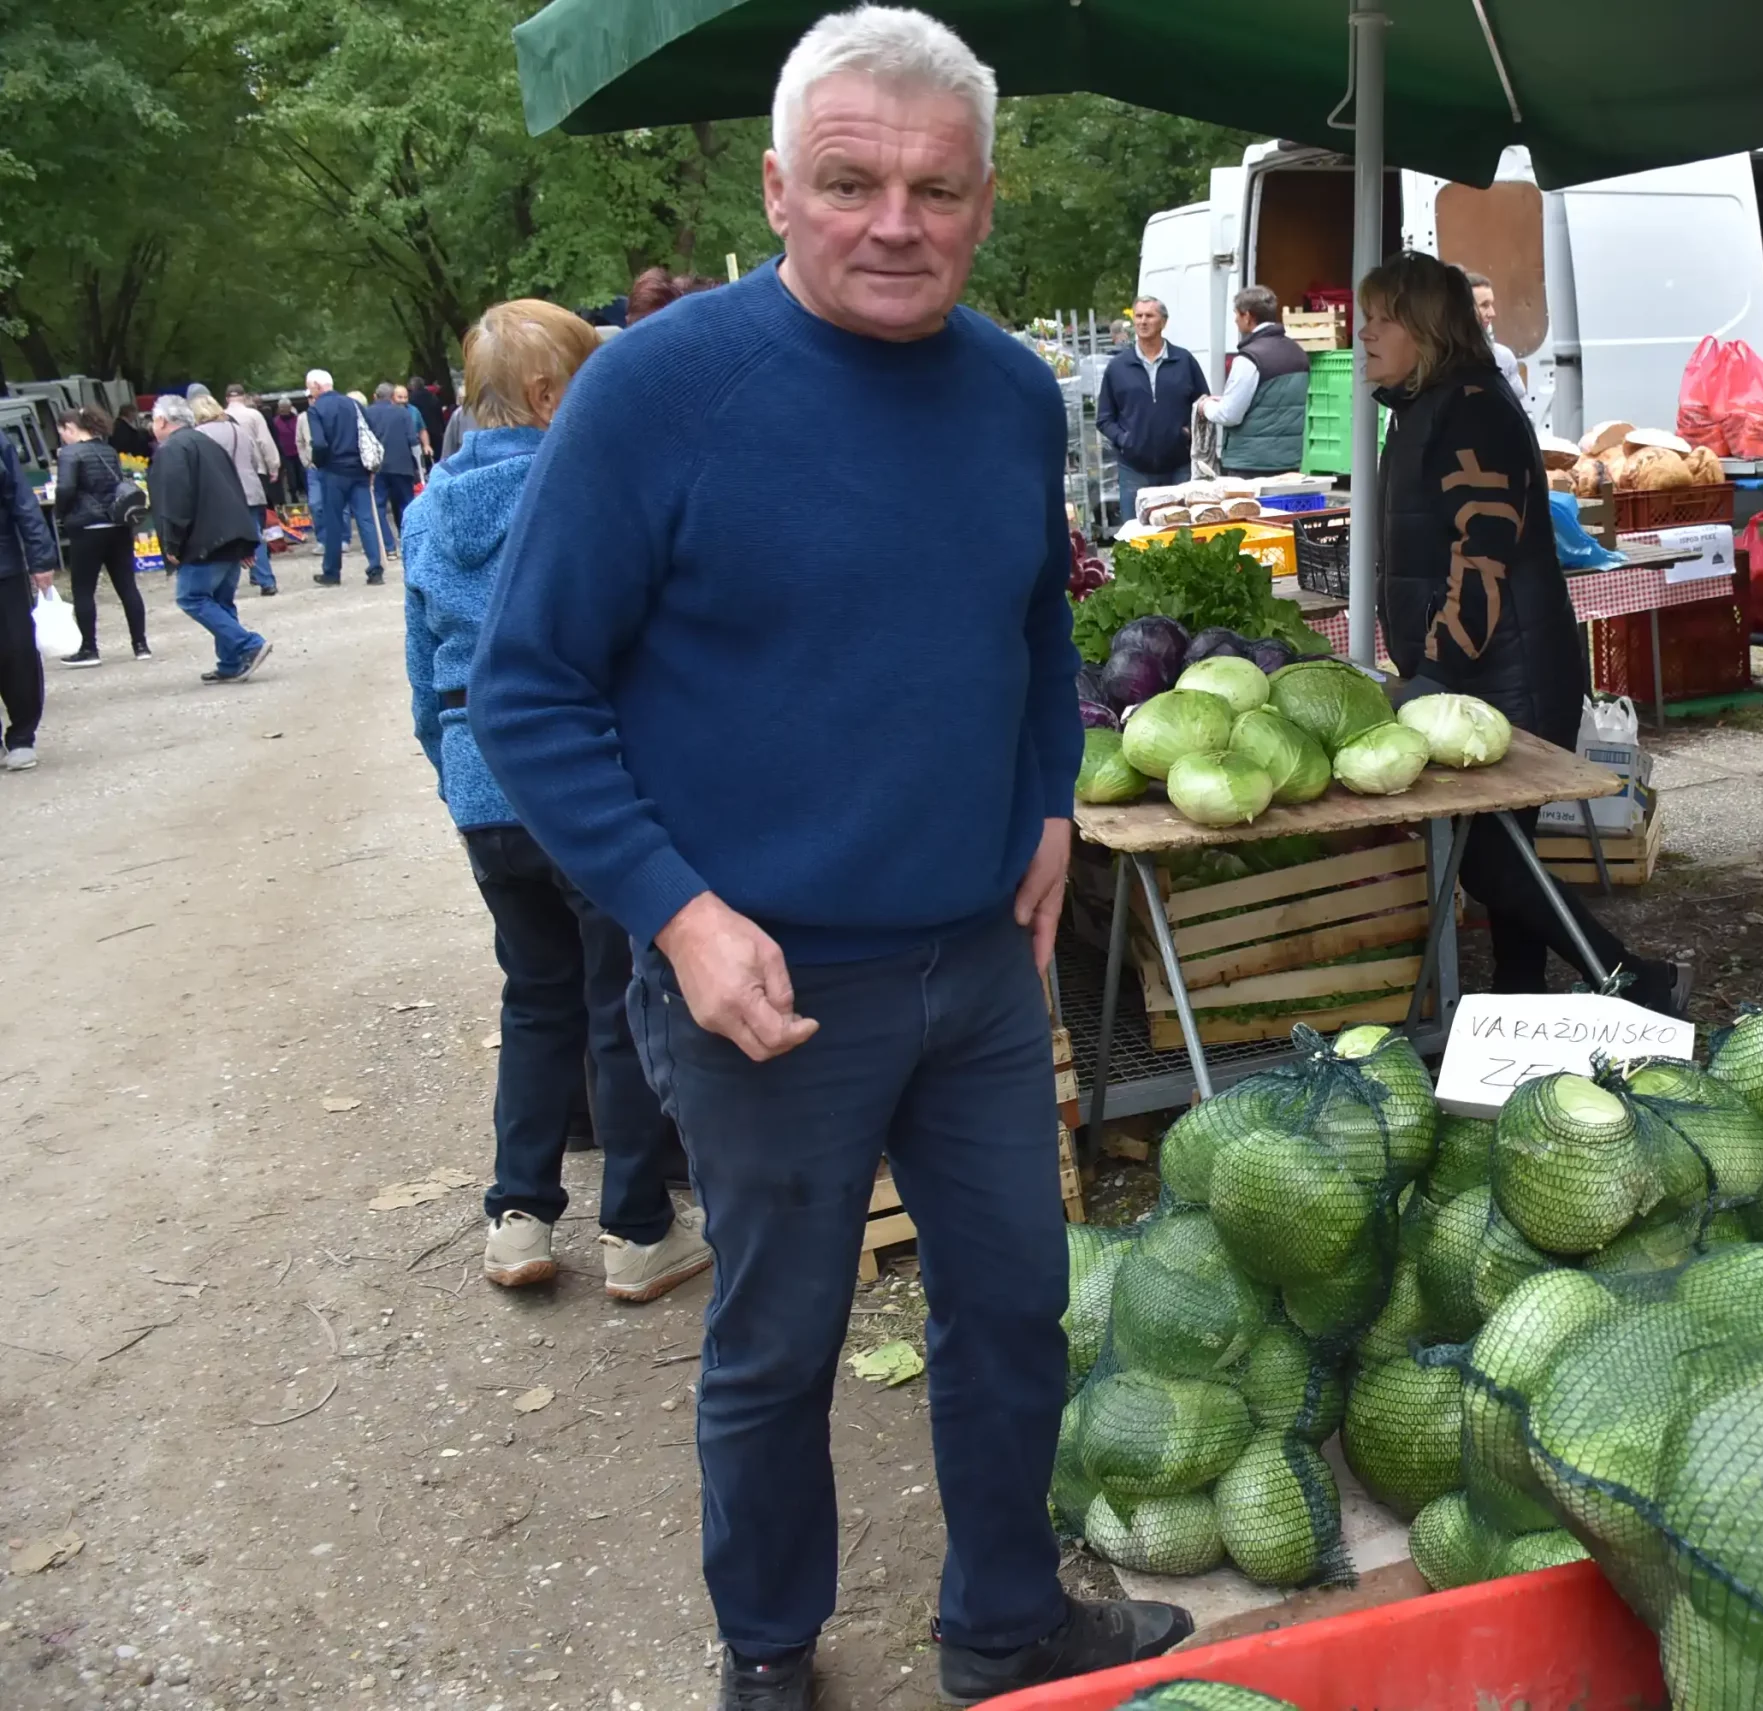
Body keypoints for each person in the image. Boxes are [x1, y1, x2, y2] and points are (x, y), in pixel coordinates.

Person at [468, 10, 1191, 1708]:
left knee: (1013, 1312)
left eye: (936, 190)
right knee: (778, 1347)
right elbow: (531, 688)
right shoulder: (657, 393)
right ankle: (773, 1655)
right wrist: (679, 912)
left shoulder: (1016, 394)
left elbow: (1032, 625)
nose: (895, 222)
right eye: (852, 182)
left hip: (976, 967)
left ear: (986, 203)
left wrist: (1050, 799)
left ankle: (1004, 1619)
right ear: (780, 189)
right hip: (766, 981)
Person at [403, 299, 714, 1304]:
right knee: (617, 1001)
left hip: (478, 789)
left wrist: (454, 776)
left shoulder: (424, 513)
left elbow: (422, 675)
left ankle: (518, 1216)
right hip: (577, 783)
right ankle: (637, 1228)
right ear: (548, 397)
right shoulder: (576, 489)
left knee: (534, 1001)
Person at [1360, 251, 1691, 1015]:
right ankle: (1522, 1010)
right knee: (1505, 852)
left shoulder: (1469, 409)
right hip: (1482, 673)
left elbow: (1484, 551)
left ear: (1428, 328)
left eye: (1383, 317)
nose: (1366, 332)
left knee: (1491, 859)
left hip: (1504, 674)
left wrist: (1436, 670)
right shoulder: (1424, 406)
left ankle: (1633, 978)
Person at [147, 394, 271, 683]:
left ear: (162, 420)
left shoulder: (172, 450)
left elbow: (174, 501)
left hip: (203, 539)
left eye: (153, 420)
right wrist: (245, 539)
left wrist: (172, 543)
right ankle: (230, 663)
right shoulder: (209, 444)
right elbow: (235, 489)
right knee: (221, 600)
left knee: (191, 597)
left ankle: (248, 644)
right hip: (230, 532)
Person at [1094, 296, 1208, 523]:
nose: (1143, 321)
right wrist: (1126, 440)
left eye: (1150, 316)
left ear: (1163, 322)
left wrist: (1186, 433)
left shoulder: (1183, 361)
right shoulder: (1118, 367)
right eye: (1139, 316)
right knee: (1137, 537)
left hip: (1180, 467)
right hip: (1134, 469)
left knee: (1182, 534)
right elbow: (1104, 418)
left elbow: (1203, 405)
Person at [51, 407, 150, 666]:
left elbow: (66, 487)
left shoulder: (70, 454)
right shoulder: (108, 450)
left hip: (87, 527)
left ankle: (89, 648)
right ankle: (140, 644)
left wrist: (60, 513)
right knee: (127, 585)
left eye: (62, 433)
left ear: (70, 428)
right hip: (117, 524)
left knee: (83, 589)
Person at [1195, 284, 1309, 477]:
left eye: (1236, 314)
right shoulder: (1298, 353)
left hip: (1250, 465)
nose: (1235, 320)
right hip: (1289, 461)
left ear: (1247, 316)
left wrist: (1205, 406)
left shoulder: (1249, 359)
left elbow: (1230, 415)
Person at [0, 432, 56, 769]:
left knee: (16, 651)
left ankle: (21, 735)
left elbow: (22, 500)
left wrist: (40, 558)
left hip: (4, 567)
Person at [301, 368, 385, 586]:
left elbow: (318, 443)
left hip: (333, 471)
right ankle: (375, 568)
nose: (310, 393)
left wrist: (319, 462)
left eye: (310, 388)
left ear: (317, 386)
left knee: (334, 520)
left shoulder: (316, 409)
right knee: (366, 518)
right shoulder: (353, 404)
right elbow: (371, 432)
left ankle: (332, 571)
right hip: (359, 469)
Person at [193, 393, 278, 595]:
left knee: (223, 538)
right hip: (250, 488)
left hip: (223, 493)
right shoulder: (238, 430)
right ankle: (266, 579)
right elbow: (253, 459)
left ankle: (221, 584)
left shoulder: (199, 434)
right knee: (255, 535)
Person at [366, 382, 423, 552]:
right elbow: (413, 440)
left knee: (379, 506)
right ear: (392, 397)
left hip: (378, 468)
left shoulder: (367, 413)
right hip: (402, 465)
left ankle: (388, 546)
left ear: (375, 396)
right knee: (407, 504)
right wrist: (419, 466)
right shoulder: (402, 413)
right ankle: (411, 541)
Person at [1465, 269, 1532, 407]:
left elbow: (1522, 412)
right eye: (1484, 305)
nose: (1492, 313)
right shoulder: (1438, 361)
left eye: (1491, 304)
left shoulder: (1502, 357)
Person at [273, 400, 306, 505]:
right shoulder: (275, 422)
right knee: (291, 475)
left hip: (299, 451)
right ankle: (293, 495)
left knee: (302, 473)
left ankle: (305, 491)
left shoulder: (297, 420)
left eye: (285, 407)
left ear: (290, 407)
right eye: (281, 407)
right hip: (285, 453)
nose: (283, 409)